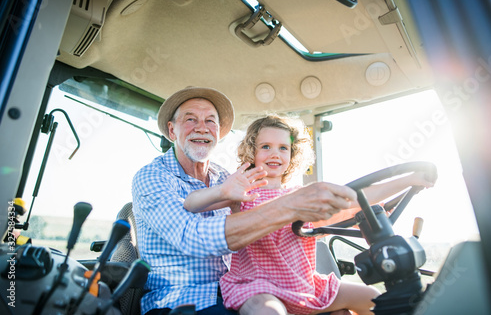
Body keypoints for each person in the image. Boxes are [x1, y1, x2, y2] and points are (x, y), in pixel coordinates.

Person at [132, 87, 358, 315]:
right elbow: (191, 238)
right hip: (180, 300)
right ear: (172, 130)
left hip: (236, 292)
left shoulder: (228, 177)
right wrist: (288, 207)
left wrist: (349, 214)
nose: (202, 127)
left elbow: (267, 228)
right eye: (191, 119)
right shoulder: (152, 177)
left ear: (218, 132)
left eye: (211, 121)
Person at [183, 115, 434, 315]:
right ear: (252, 152)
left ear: (292, 155)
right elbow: (192, 204)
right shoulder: (242, 193)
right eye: (266, 146)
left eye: (283, 148)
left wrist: (410, 179)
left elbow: (357, 198)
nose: (274, 154)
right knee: (270, 312)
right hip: (258, 286)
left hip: (306, 287)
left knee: (379, 301)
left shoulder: (305, 196)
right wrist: (224, 190)